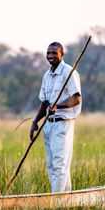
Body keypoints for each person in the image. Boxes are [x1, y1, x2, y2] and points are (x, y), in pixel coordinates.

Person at [29, 42, 82, 193]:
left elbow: (76, 99)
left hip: (62, 124)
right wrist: (35, 122)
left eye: (54, 53)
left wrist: (58, 106)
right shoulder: (47, 75)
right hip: (48, 124)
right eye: (48, 53)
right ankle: (65, 201)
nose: (50, 56)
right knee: (52, 165)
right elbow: (44, 102)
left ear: (62, 54)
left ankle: (56, 202)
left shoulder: (69, 72)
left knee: (60, 164)